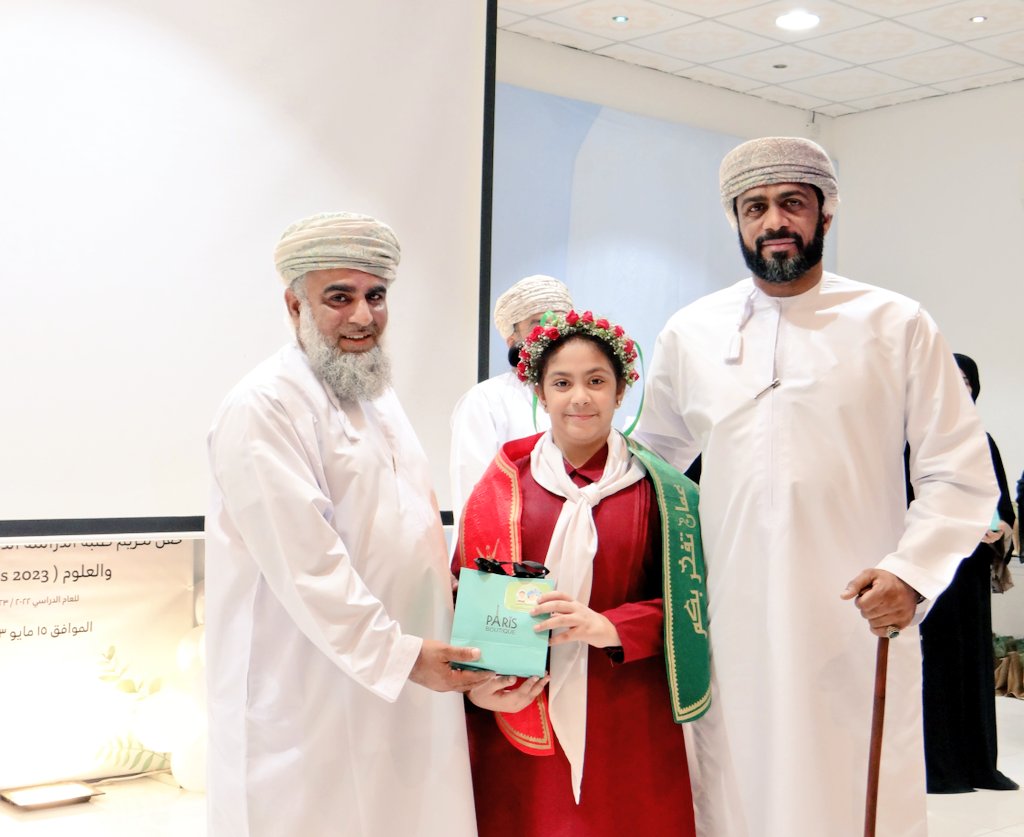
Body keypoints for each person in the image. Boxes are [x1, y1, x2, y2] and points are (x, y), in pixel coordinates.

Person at [635, 137, 998, 837]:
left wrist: (912, 573)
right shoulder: (693, 331)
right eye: (755, 207)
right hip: (732, 619)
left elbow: (958, 470)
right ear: (736, 221)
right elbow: (650, 462)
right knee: (737, 790)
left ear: (825, 214)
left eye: (792, 203)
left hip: (855, 617)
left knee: (850, 790)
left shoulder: (897, 324)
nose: (774, 221)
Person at [205, 212, 492, 837]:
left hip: (409, 671)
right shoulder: (265, 406)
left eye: (376, 296)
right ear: (295, 305)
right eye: (340, 297)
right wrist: (401, 655)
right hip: (309, 688)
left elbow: (410, 526)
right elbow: (307, 565)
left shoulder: (375, 394)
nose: (363, 316)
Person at [453, 310, 710, 837]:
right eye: (562, 383)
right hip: (525, 702)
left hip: (627, 706)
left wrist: (609, 626)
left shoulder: (664, 490)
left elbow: (693, 604)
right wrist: (478, 688)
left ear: (621, 392)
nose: (580, 398)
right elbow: (465, 594)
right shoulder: (503, 484)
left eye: (596, 381)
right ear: (539, 393)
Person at [919, 352, 1018, 793]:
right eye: (952, 378)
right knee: (939, 661)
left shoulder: (983, 440)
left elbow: (1003, 505)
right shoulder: (918, 438)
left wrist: (1000, 529)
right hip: (934, 565)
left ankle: (981, 766)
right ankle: (941, 769)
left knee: (974, 660)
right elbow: (911, 498)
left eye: (966, 380)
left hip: (972, 567)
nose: (960, 387)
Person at [449, 274, 572, 525]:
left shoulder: (581, 398)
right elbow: (474, 492)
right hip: (511, 542)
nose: (553, 330)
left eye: (562, 321)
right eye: (537, 322)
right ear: (512, 340)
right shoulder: (484, 400)